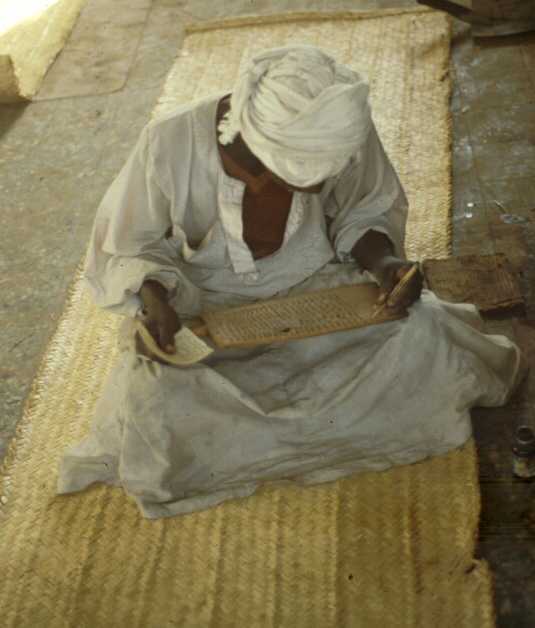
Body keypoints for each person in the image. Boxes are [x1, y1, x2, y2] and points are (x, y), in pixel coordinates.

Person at [57, 45, 524, 519]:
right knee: (153, 393)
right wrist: (155, 300)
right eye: (303, 178)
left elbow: (365, 208)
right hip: (208, 306)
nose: (318, 190)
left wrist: (385, 263)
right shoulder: (169, 142)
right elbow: (127, 245)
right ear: (260, 149)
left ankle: (264, 438)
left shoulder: (337, 127)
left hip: (316, 287)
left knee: (424, 331)